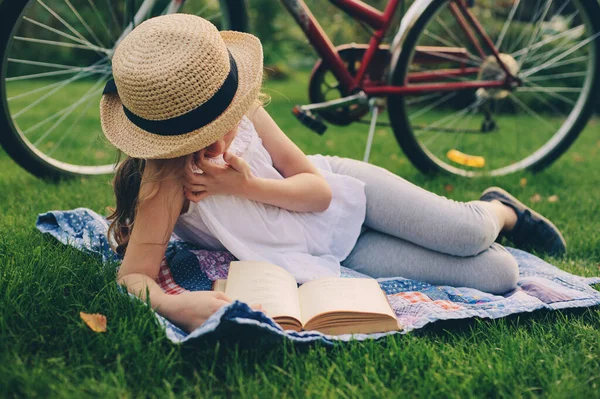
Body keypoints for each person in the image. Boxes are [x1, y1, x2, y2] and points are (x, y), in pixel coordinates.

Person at [100, 14, 566, 334]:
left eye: (226, 120)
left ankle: (501, 209)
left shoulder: (245, 114)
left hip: (343, 195)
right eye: (209, 132)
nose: (227, 133)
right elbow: (133, 276)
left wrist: (243, 186)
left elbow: (319, 193)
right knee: (499, 273)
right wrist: (176, 304)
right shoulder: (163, 183)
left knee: (465, 231)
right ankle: (497, 224)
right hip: (325, 250)